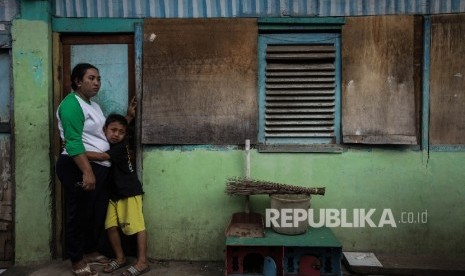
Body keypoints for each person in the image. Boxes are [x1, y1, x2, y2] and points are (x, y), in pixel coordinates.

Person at [56, 63, 116, 276]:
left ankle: (89, 250)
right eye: (91, 78)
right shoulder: (71, 104)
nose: (96, 83)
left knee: (93, 212)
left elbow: (99, 136)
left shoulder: (93, 105)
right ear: (77, 81)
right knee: (79, 213)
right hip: (77, 166)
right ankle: (76, 258)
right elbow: (72, 142)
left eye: (98, 79)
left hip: (97, 166)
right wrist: (87, 172)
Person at [86, 113, 149, 276]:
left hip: (129, 191)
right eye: (113, 130)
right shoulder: (109, 141)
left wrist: (75, 151)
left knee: (137, 227)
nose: (116, 135)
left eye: (121, 132)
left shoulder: (120, 147)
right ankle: (120, 258)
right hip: (114, 193)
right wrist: (128, 115)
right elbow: (118, 126)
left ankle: (142, 262)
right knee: (110, 226)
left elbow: (101, 157)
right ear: (104, 129)